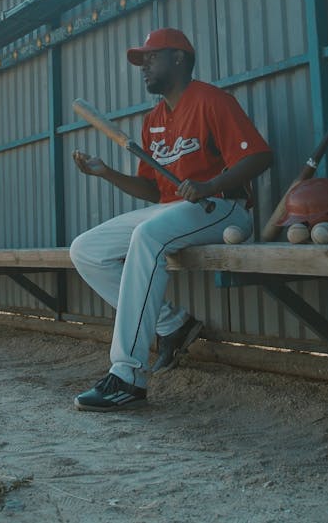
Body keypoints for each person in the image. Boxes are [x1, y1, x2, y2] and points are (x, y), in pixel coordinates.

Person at [70, 28, 273, 411]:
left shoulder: (213, 101)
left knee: (147, 236)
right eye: (141, 61)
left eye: (151, 57)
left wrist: (210, 183)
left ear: (178, 58)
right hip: (172, 211)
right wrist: (106, 172)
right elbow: (153, 190)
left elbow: (260, 158)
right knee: (86, 249)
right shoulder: (154, 119)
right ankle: (171, 325)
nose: (143, 67)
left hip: (224, 209)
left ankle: (127, 375)